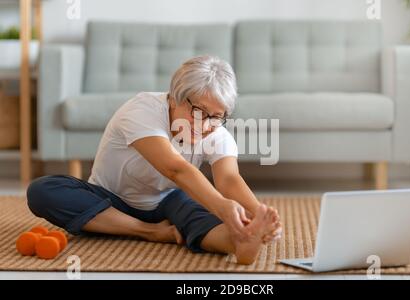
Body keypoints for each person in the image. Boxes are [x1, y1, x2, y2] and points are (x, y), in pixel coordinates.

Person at [27, 55, 282, 264]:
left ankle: (239, 242)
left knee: (199, 210)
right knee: (43, 190)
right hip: (108, 201)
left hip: (166, 202)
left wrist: (257, 215)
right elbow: (175, 170)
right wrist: (222, 206)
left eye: (216, 116)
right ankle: (149, 231)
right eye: (199, 112)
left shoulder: (216, 131)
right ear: (174, 97)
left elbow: (228, 179)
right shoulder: (142, 110)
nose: (205, 124)